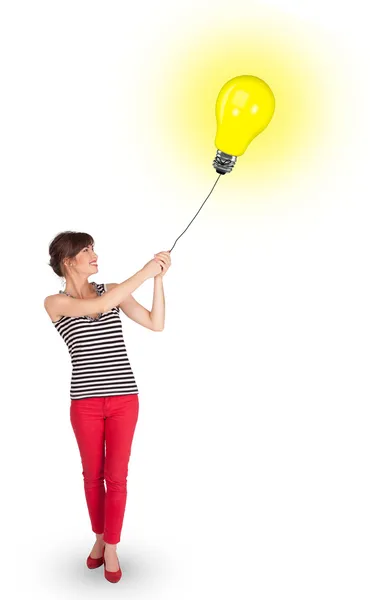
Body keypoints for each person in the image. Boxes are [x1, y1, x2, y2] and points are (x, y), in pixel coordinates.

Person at [44, 230, 171, 583]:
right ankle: (98, 538)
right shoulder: (54, 303)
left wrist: (157, 280)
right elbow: (97, 308)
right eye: (87, 250)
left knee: (117, 477)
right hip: (84, 403)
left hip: (124, 400)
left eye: (94, 248)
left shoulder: (110, 290)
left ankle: (110, 545)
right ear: (69, 261)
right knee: (92, 476)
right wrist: (144, 272)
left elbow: (155, 323)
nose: (95, 254)